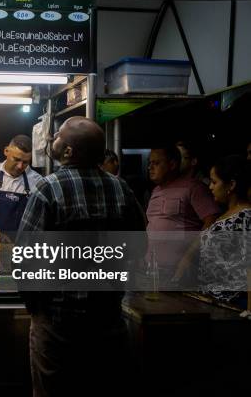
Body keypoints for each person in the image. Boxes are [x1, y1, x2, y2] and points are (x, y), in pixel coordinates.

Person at [18, 116, 146, 397]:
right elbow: (139, 248)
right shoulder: (120, 189)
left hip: (57, 324)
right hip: (107, 321)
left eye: (59, 136)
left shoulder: (48, 188)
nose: (53, 138)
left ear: (68, 152)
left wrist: (37, 309)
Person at [146, 146, 220, 280]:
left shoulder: (193, 187)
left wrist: (189, 257)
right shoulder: (155, 191)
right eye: (149, 163)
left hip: (180, 271)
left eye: (156, 163)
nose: (150, 167)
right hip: (153, 269)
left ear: (172, 164)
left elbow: (212, 221)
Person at [198, 155, 250, 310]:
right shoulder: (226, 214)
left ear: (231, 185)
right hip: (213, 301)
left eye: (214, 182)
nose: (210, 187)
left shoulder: (245, 217)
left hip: (232, 304)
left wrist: (249, 311)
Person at [0, 135, 42, 242]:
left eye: (25, 162)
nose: (20, 166)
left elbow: (38, 219)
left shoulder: (37, 181)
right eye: (16, 159)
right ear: (6, 151)